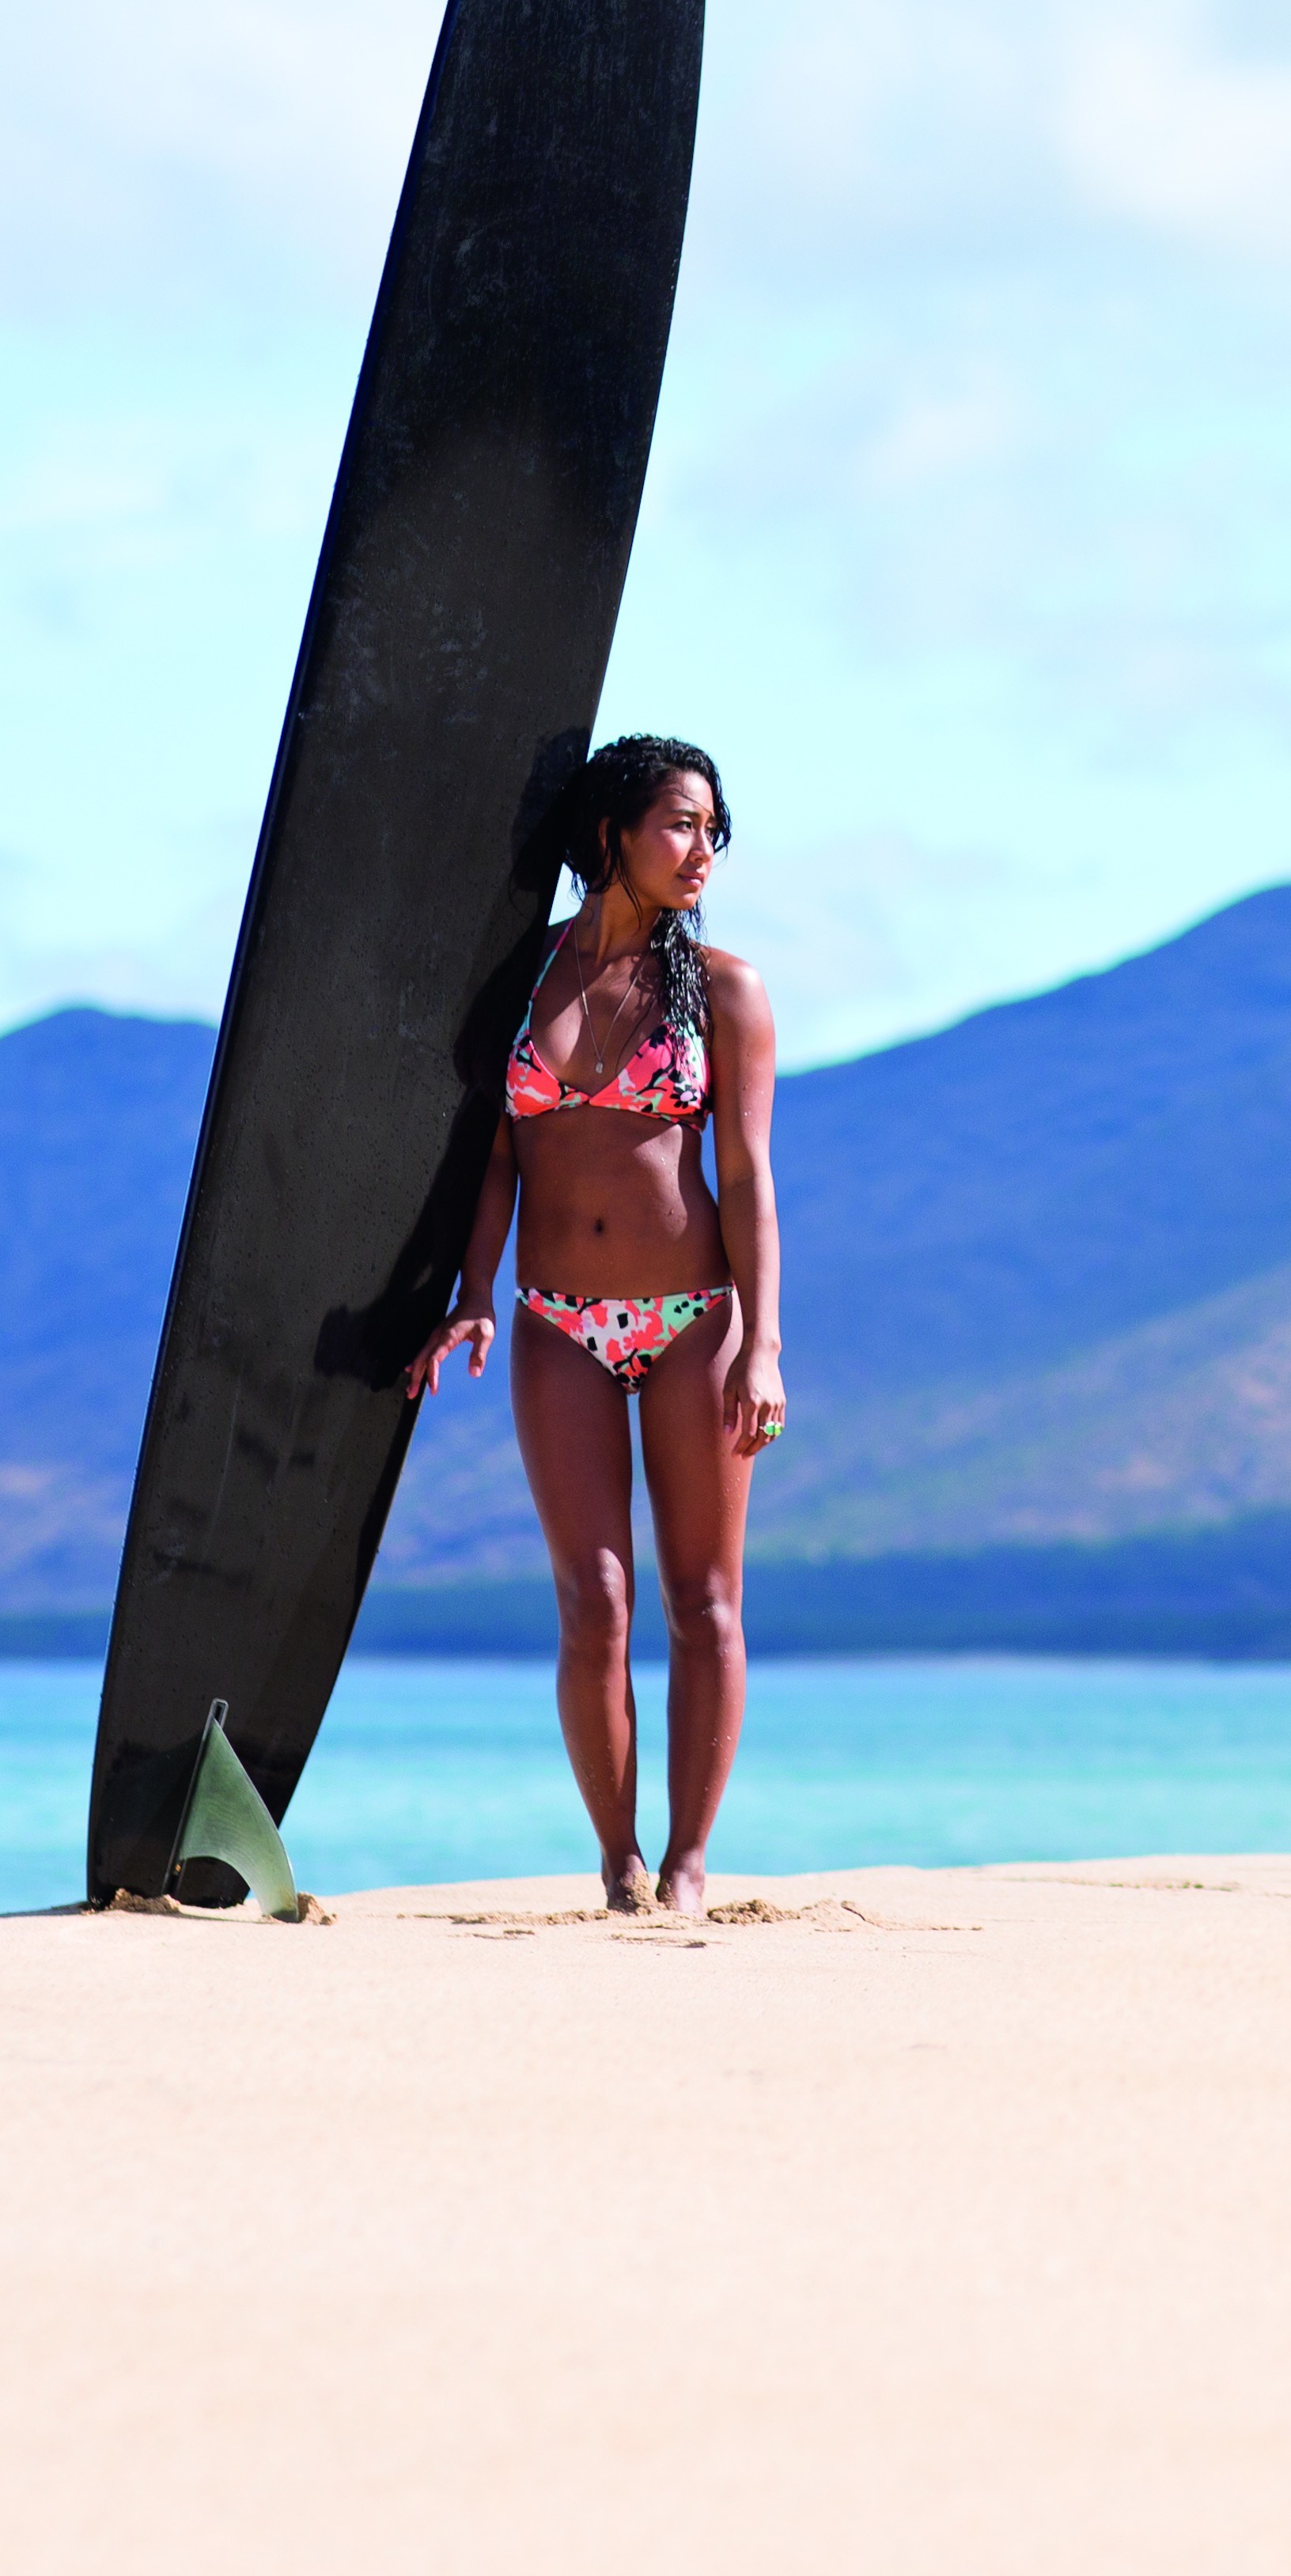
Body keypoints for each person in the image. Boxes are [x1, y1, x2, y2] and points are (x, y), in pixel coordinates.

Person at [403, 734, 786, 1913]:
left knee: (702, 1601)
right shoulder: (521, 982)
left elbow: (749, 1176)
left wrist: (764, 1343)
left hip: (694, 1321)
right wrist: (472, 1292)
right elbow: (499, 1163)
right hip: (556, 1320)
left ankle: (686, 1868)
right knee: (594, 1600)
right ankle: (617, 1861)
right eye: (679, 823)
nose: (701, 851)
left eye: (714, 829)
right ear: (614, 830)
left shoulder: (724, 990)